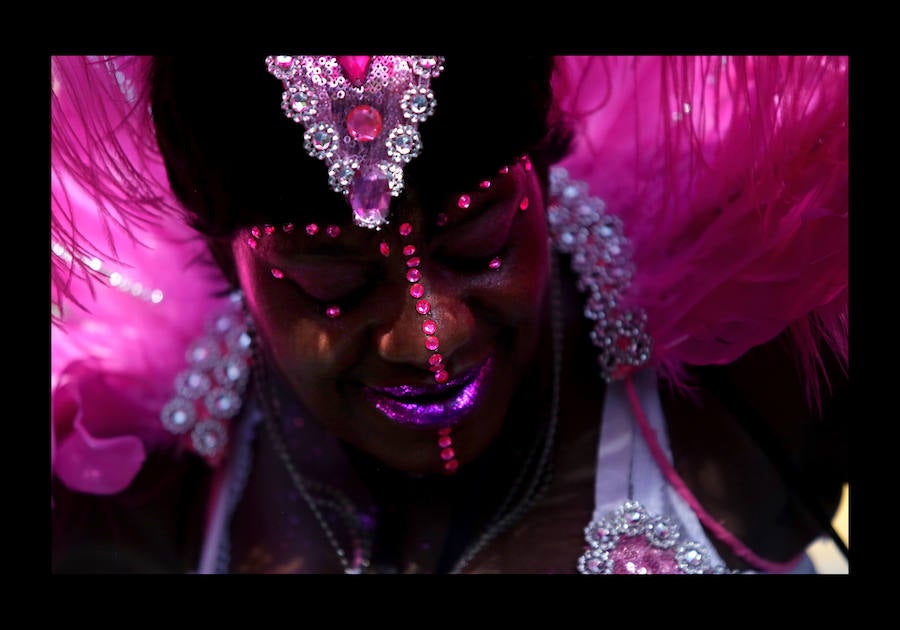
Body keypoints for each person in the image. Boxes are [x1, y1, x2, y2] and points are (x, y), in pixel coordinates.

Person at [50, 55, 848, 574]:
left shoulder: (748, 392)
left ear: (538, 170)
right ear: (231, 263)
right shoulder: (142, 492)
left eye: (481, 240)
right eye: (333, 283)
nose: (429, 338)